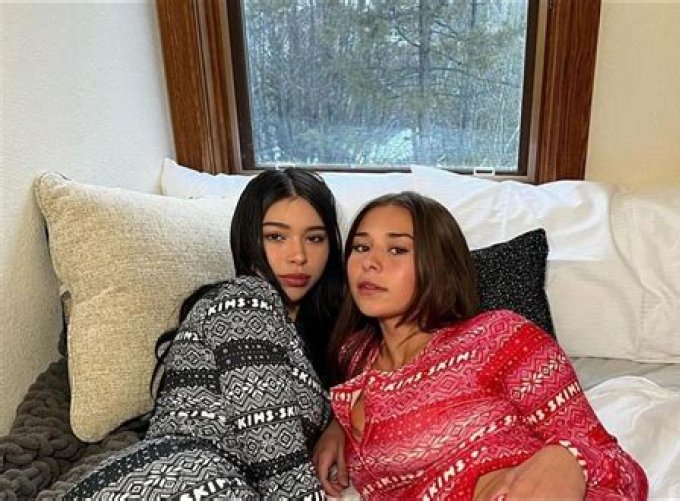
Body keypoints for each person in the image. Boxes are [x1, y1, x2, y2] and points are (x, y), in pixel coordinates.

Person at [314, 192, 648, 500]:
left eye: (397, 249)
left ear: (438, 264)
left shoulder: (499, 337)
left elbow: (618, 466)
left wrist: (569, 459)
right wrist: (337, 425)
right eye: (361, 247)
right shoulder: (354, 356)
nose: (370, 262)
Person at [60, 169, 344, 500]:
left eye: (315, 238)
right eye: (276, 237)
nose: (298, 256)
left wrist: (337, 425)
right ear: (248, 239)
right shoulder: (245, 298)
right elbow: (273, 451)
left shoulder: (314, 338)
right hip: (174, 477)